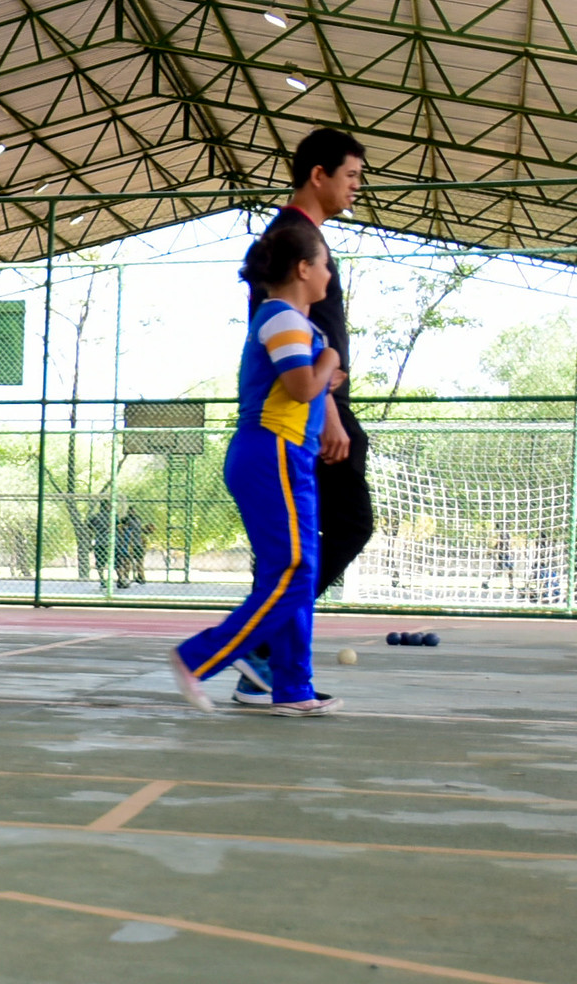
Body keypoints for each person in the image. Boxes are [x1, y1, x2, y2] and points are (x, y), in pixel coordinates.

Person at [169, 218, 343, 718]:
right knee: (293, 569)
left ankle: (293, 687)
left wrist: (324, 360)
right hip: (272, 452)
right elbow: (302, 387)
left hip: (288, 456)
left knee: (296, 573)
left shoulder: (295, 322)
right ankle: (198, 658)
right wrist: (329, 359)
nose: (329, 275)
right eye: (326, 265)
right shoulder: (282, 319)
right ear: (304, 267)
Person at [232, 127, 367, 704]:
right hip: (302, 414)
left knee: (297, 552)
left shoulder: (304, 237)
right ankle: (256, 648)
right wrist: (328, 409)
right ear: (318, 174)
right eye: (351, 176)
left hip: (314, 406)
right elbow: (289, 338)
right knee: (343, 528)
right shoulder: (292, 237)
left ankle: (274, 668)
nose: (357, 188)